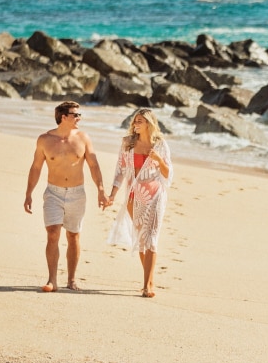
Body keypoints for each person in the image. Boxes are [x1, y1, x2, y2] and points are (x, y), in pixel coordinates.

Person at [25, 101, 106, 292]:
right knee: (53, 233)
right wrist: (28, 193)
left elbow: (94, 165)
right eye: (75, 115)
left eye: (79, 114)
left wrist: (101, 190)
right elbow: (36, 167)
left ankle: (71, 279)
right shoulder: (44, 140)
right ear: (63, 117)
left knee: (73, 236)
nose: (79, 118)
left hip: (77, 193)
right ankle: (52, 280)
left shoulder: (83, 138)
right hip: (53, 192)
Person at [105, 108, 173, 298]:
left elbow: (168, 174)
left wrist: (159, 160)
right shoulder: (127, 143)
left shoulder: (160, 145)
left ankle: (146, 286)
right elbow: (120, 170)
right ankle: (150, 279)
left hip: (155, 194)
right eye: (135, 121)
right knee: (142, 240)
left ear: (149, 123)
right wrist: (112, 194)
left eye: (140, 121)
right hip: (133, 196)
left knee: (151, 238)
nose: (136, 124)